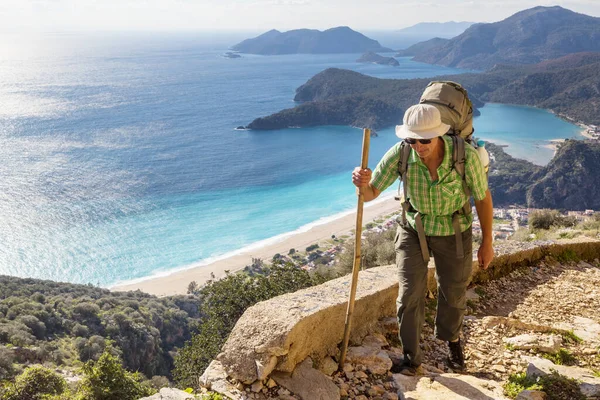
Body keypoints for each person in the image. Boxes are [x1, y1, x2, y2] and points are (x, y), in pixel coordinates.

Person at [352, 104, 494, 375]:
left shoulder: (464, 156)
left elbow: (482, 197)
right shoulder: (402, 153)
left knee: (452, 293)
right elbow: (370, 194)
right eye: (411, 139)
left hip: (454, 231)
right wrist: (361, 181)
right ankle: (410, 358)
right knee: (408, 296)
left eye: (424, 140)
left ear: (438, 135)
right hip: (412, 229)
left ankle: (452, 341)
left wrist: (487, 242)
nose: (418, 145)